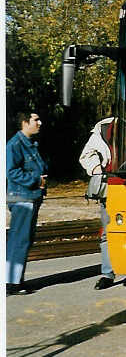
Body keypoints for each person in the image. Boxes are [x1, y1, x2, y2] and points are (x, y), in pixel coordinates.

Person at [6, 112, 47, 295]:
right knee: (19, 240)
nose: (39, 123)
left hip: (31, 197)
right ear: (24, 123)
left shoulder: (30, 144)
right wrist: (36, 180)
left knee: (24, 239)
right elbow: (11, 171)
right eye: (35, 120)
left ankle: (15, 279)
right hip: (22, 198)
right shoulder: (15, 144)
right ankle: (12, 283)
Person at [78, 118, 116, 290]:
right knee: (107, 233)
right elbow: (86, 155)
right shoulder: (102, 129)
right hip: (109, 187)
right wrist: (96, 169)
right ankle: (108, 274)